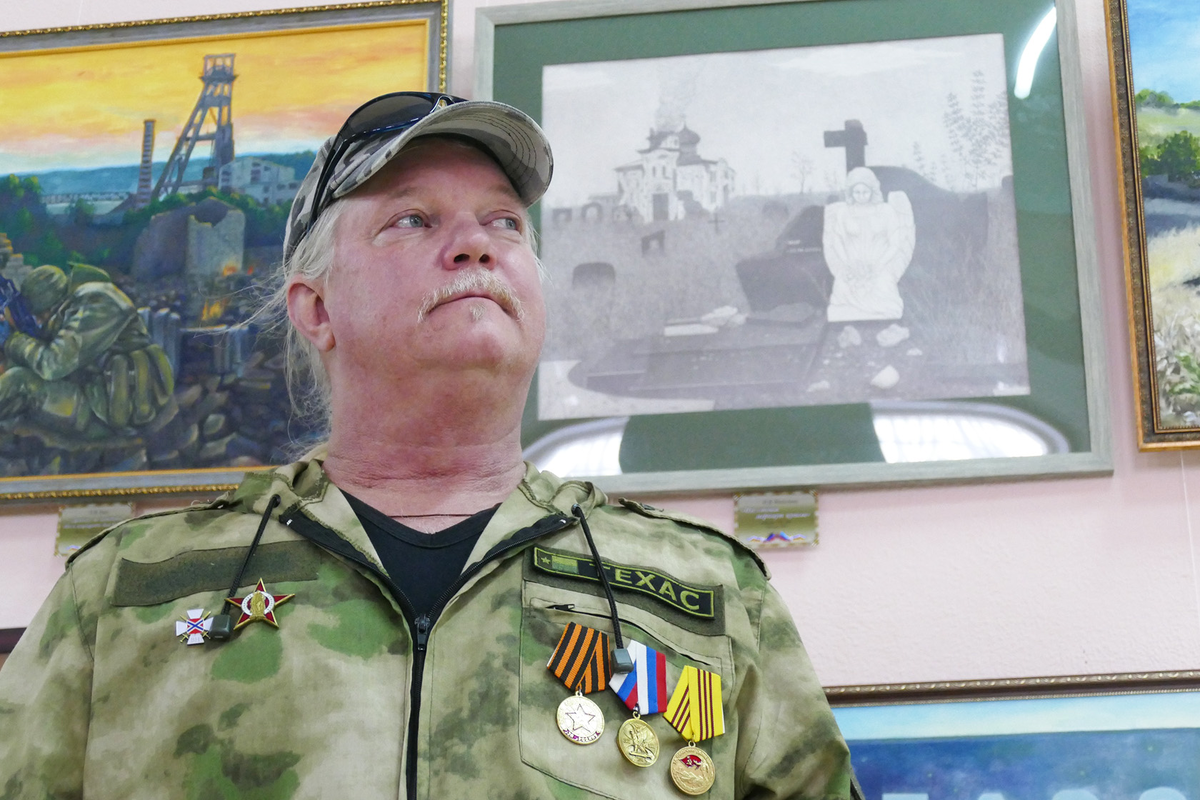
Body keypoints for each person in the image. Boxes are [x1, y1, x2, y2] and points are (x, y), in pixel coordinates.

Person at [0, 93, 858, 799]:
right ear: (317, 309)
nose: (476, 243)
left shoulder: (708, 592)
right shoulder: (129, 592)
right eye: (412, 219)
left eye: (505, 222)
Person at [0, 263, 174, 436]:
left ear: (54, 304)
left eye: (40, 314)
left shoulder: (98, 301)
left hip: (105, 409)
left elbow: (53, 365)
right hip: (91, 395)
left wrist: (13, 340)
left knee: (18, 381)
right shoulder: (75, 304)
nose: (40, 321)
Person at [823, 166, 916, 322]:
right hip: (851, 267)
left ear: (873, 190)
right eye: (857, 192)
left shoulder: (886, 211)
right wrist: (847, 264)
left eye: (865, 192)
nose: (861, 196)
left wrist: (879, 264)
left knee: (884, 289)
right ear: (850, 192)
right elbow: (837, 241)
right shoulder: (843, 212)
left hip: (879, 266)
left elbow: (895, 244)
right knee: (842, 288)